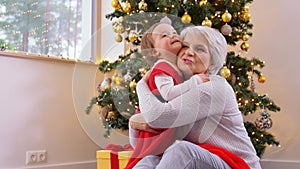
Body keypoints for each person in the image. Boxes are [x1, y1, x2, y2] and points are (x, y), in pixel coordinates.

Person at [129, 26, 262, 169]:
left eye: (200, 49)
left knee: (181, 151)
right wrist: (133, 124)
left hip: (237, 164)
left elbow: (158, 117)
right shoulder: (178, 87)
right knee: (149, 160)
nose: (189, 52)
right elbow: (141, 144)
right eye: (185, 46)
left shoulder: (214, 86)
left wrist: (141, 85)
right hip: (205, 160)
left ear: (212, 62)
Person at [125, 18, 209, 169]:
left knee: (153, 160)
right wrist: (194, 81)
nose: (172, 35)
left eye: (174, 33)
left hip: (161, 130)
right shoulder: (162, 66)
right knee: (148, 161)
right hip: (155, 129)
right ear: (155, 52)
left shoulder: (175, 68)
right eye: (164, 35)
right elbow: (169, 94)